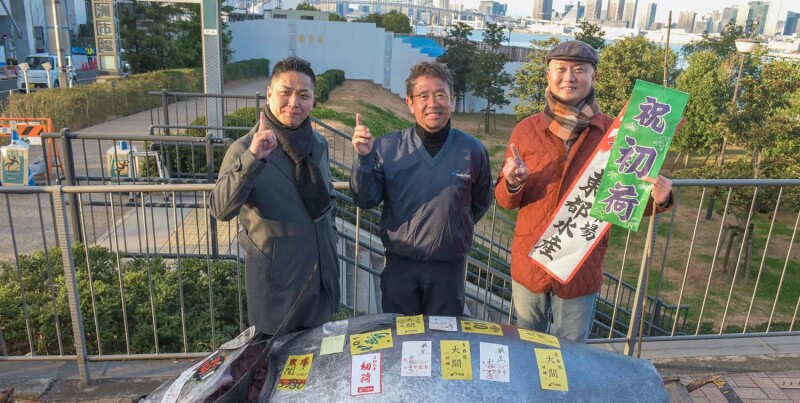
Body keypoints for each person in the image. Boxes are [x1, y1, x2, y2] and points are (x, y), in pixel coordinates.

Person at [495, 40, 674, 343]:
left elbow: (625, 197)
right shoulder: (526, 130)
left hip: (580, 264)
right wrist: (513, 182)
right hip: (530, 262)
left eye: (579, 69)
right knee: (526, 349)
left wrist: (660, 199)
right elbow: (504, 199)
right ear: (548, 75)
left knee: (571, 354)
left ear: (594, 77)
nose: (569, 77)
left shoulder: (617, 135)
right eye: (561, 69)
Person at [350, 61, 493, 316]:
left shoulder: (472, 150)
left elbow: (480, 201)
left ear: (452, 98)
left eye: (440, 95)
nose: (433, 103)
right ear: (410, 103)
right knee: (401, 342)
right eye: (424, 96)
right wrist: (364, 159)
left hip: (449, 270)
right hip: (400, 268)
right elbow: (365, 199)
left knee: (444, 344)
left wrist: (454, 226)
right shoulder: (387, 148)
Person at [210, 56, 340, 337]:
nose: (294, 102)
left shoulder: (318, 144)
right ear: (269, 94)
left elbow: (326, 201)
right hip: (277, 290)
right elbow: (220, 208)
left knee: (319, 371)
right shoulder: (244, 148)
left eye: (304, 95)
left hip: (321, 283)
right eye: (286, 92)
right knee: (277, 371)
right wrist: (253, 159)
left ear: (313, 100)